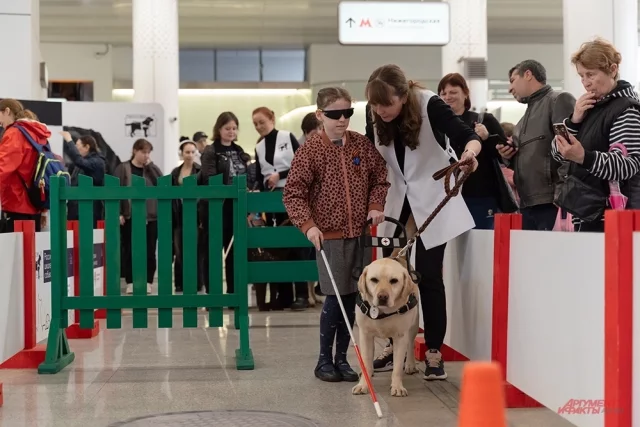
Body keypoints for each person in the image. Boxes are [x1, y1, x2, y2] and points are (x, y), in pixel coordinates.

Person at [365, 64, 479, 380]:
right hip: (395, 199)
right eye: (375, 105)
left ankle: (432, 351)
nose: (379, 110)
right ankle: (391, 346)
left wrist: (470, 153)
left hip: (432, 197)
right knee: (386, 276)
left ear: (403, 95)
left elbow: (467, 135)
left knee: (428, 275)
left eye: (386, 104)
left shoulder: (429, 103)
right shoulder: (374, 111)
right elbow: (373, 156)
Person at [283, 86, 390, 382]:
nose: (342, 119)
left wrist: (375, 205)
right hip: (328, 236)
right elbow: (293, 194)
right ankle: (323, 361)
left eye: (347, 113)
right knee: (334, 297)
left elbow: (380, 177)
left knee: (352, 295)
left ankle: (341, 359)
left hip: (359, 234)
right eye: (334, 114)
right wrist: (308, 225)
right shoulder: (310, 150)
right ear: (320, 115)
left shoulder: (360, 145)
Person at [552, 38, 640, 232]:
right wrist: (574, 121)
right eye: (581, 76)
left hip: (612, 216)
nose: (585, 83)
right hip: (587, 212)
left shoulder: (626, 110)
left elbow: (628, 166)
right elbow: (557, 153)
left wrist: (583, 157)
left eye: (590, 74)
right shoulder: (590, 108)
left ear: (613, 69)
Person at [498, 60, 576, 230]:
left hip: (552, 203)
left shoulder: (558, 100)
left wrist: (562, 197)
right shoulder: (521, 123)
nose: (510, 88)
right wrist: (509, 157)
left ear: (528, 74)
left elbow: (570, 152)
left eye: (512, 80)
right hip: (528, 204)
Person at [252, 106, 309, 311]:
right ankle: (284, 295)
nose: (259, 126)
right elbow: (259, 178)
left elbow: (301, 164)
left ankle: (302, 294)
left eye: (262, 122)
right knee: (278, 248)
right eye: (255, 124)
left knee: (296, 243)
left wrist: (281, 174)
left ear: (272, 119)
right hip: (271, 201)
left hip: (292, 196)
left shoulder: (288, 137)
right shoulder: (258, 147)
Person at [438, 73, 510, 229]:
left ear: (465, 93)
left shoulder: (484, 120)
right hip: (447, 195)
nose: (447, 97)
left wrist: (487, 137)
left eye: (453, 92)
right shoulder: (436, 126)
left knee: (481, 241)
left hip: (479, 194)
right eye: (443, 93)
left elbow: (504, 154)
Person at [197, 112, 250, 296]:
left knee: (234, 251)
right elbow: (209, 177)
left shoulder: (240, 150)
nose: (231, 132)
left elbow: (246, 176)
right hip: (215, 207)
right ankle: (212, 294)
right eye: (227, 128)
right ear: (219, 129)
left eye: (234, 128)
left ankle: (233, 293)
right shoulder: (211, 151)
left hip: (236, 208)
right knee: (212, 251)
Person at [114, 139, 163, 295]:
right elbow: (116, 191)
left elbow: (161, 183)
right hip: (130, 216)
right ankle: (131, 281)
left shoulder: (151, 169)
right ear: (135, 151)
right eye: (143, 152)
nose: (146, 155)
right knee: (129, 249)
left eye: (148, 152)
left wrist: (150, 166)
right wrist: (119, 212)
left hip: (151, 217)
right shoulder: (123, 168)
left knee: (150, 250)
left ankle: (148, 281)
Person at [0, 99, 52, 232]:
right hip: (36, 204)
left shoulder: (14, 134)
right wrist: (44, 210)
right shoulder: (38, 134)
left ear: (7, 111)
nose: (0, 123)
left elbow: (2, 168)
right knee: (31, 251)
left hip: (16, 204)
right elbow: (43, 172)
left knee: (13, 251)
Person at [171, 140, 201, 292]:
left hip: (195, 215)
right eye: (187, 152)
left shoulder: (200, 171)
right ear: (181, 154)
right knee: (179, 249)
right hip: (179, 214)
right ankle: (180, 283)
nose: (190, 155)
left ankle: (196, 282)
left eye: (192, 152)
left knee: (196, 248)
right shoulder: (175, 172)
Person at [60, 131, 106, 228]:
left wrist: (69, 140)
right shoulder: (83, 162)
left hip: (89, 210)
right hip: (75, 209)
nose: (76, 149)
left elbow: (78, 160)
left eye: (77, 145)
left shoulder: (97, 162)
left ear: (87, 147)